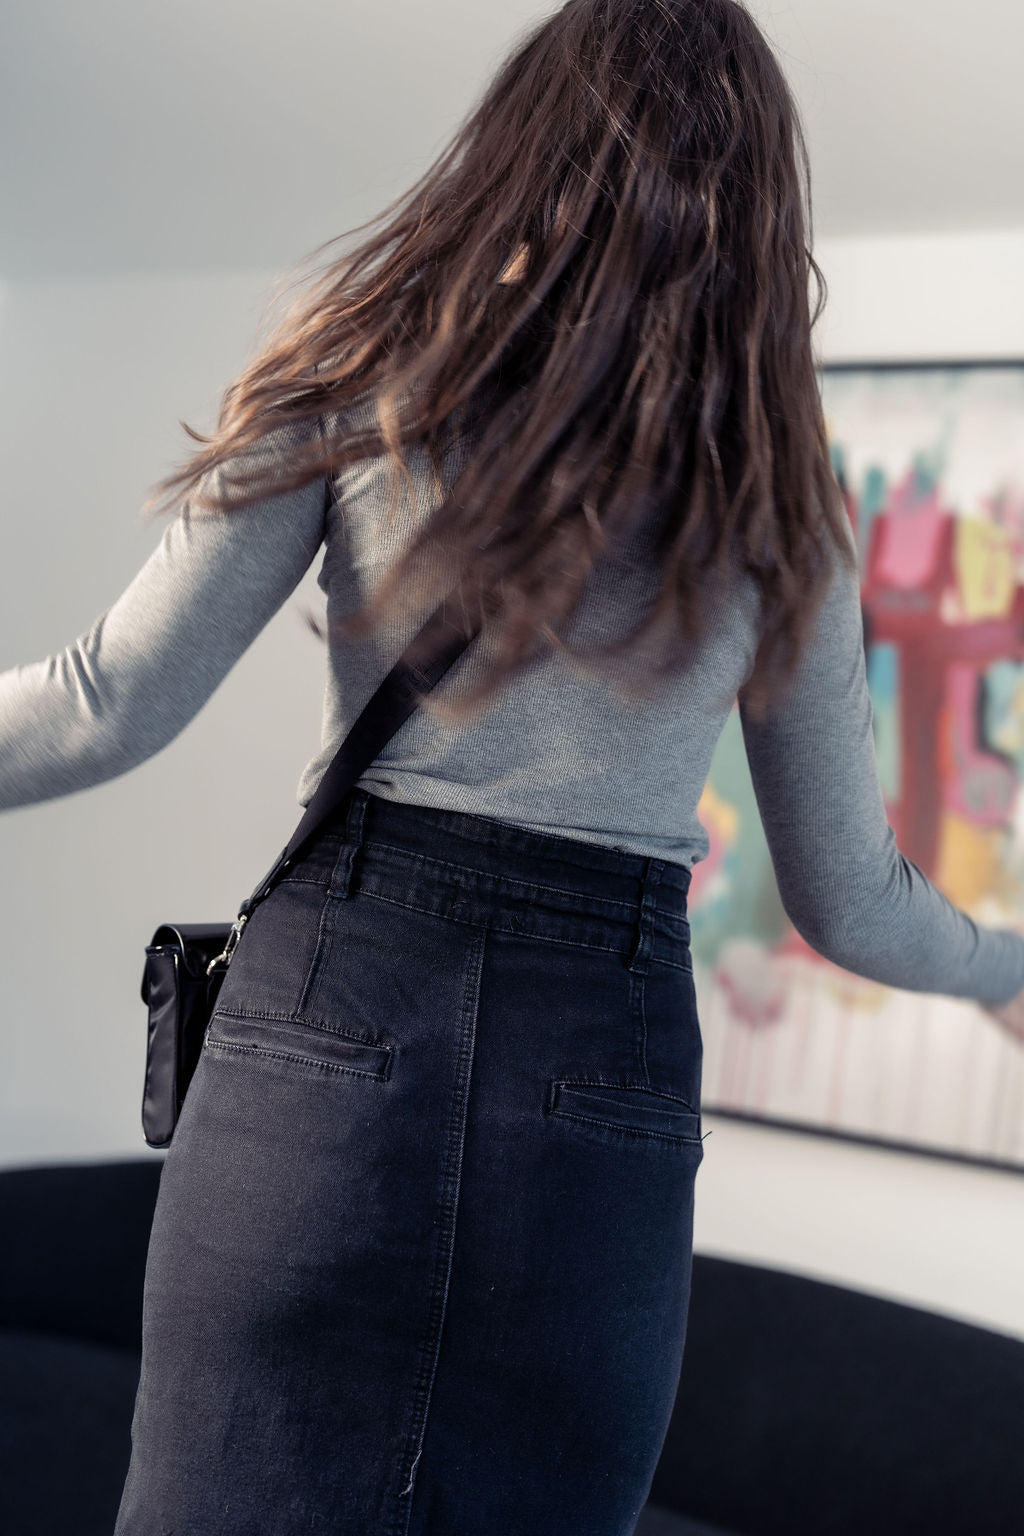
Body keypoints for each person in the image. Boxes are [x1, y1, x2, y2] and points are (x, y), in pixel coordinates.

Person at [2, 2, 1023, 1532]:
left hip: (327, 1023)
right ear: (755, 205)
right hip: (599, 1080)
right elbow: (850, 898)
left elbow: (105, 704)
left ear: (522, 142)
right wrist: (1003, 970)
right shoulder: (772, 492)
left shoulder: (360, 378)